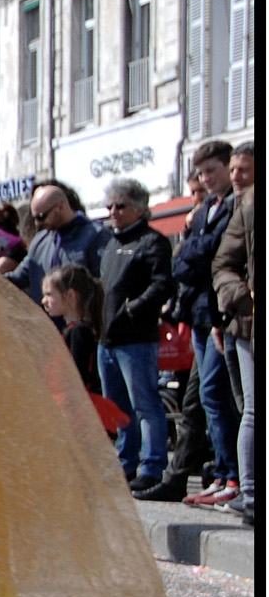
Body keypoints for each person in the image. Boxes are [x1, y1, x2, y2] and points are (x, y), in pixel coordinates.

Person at [153, 141, 241, 505]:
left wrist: (194, 247)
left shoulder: (235, 206)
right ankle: (223, 472)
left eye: (211, 171)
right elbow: (184, 258)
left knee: (219, 396)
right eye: (201, 172)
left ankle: (232, 475)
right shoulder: (206, 208)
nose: (206, 179)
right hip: (202, 314)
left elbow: (210, 252)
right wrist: (193, 246)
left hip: (221, 312)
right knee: (208, 396)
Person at [96, 177, 174, 492]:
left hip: (136, 339)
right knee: (118, 409)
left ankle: (152, 465)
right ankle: (126, 463)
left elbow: (163, 284)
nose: (113, 212)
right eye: (110, 206)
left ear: (140, 208)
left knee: (145, 404)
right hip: (108, 339)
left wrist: (134, 309)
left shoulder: (151, 242)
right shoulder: (112, 243)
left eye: (120, 205)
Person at [212, 178, 256, 527]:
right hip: (251, 325)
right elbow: (222, 265)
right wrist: (244, 298)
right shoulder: (251, 204)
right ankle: (254, 496)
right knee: (255, 409)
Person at [4, 180, 106, 307]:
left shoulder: (95, 235)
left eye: (41, 216)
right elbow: (20, 277)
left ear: (60, 207)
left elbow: (104, 284)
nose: (37, 223)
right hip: (45, 324)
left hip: (81, 323)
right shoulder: (40, 241)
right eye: (34, 217)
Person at [42, 264, 104, 394]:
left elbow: (77, 376)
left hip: (81, 403)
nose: (44, 301)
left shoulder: (79, 332)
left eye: (49, 295)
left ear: (70, 295)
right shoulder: (74, 329)